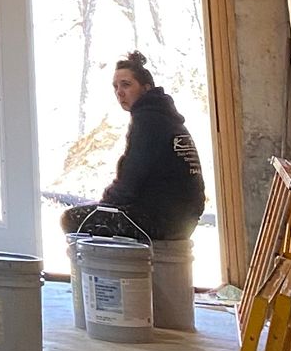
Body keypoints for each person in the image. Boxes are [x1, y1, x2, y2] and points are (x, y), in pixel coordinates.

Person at [59, 51, 207, 244]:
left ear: (146, 88)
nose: (119, 92)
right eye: (115, 87)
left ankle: (113, 274)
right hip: (183, 218)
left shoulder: (148, 120)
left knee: (73, 219)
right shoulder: (167, 119)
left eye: (126, 85)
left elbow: (131, 179)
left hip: (161, 219)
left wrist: (105, 203)